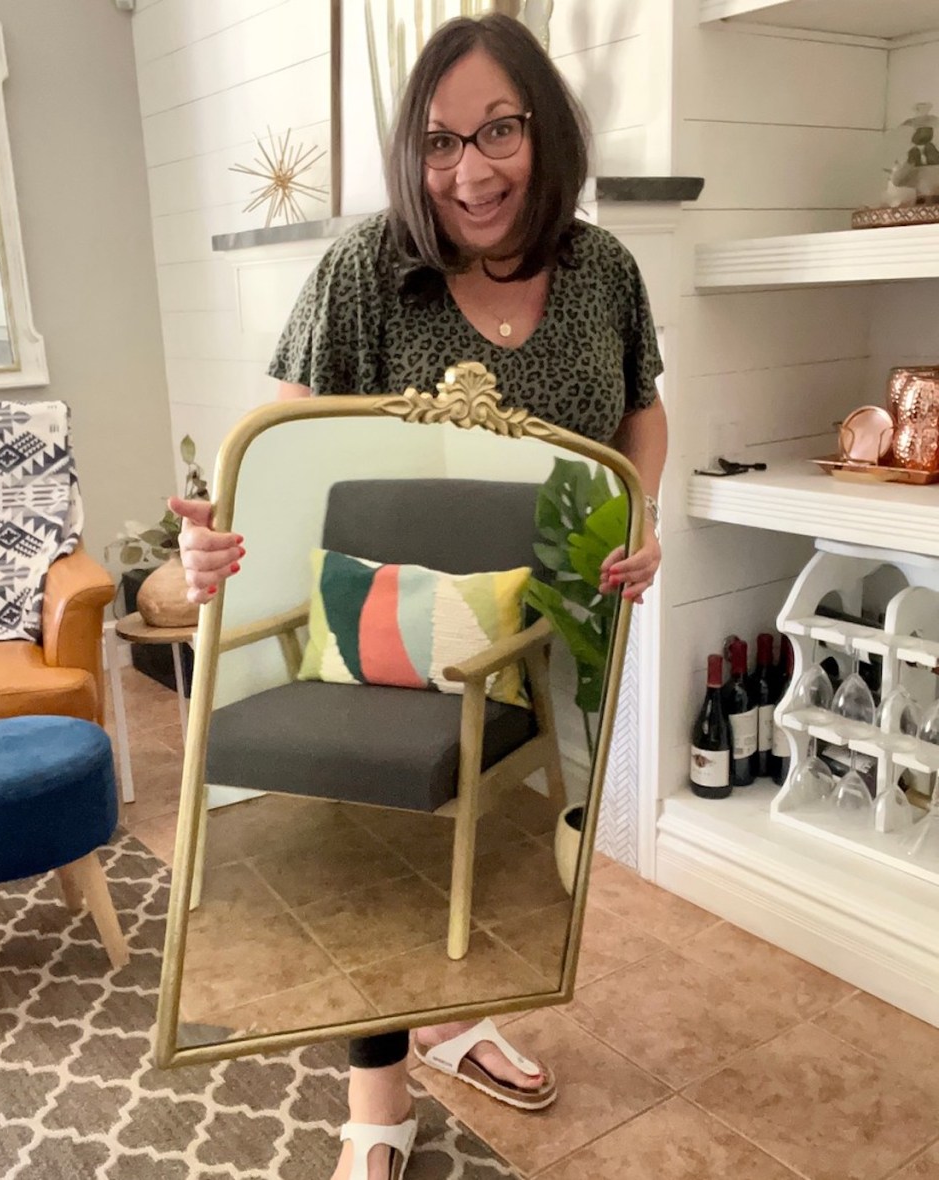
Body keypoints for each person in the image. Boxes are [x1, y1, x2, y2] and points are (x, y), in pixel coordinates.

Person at [171, 14, 667, 1180]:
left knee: (517, 847)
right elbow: (276, 458)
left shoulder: (605, 272)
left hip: (570, 609)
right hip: (409, 609)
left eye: (499, 130)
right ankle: (375, 1105)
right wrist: (204, 553)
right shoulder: (366, 269)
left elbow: (637, 407)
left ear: (545, 125)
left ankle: (462, 1019)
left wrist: (640, 515)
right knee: (391, 858)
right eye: (440, 142)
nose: (471, 170)